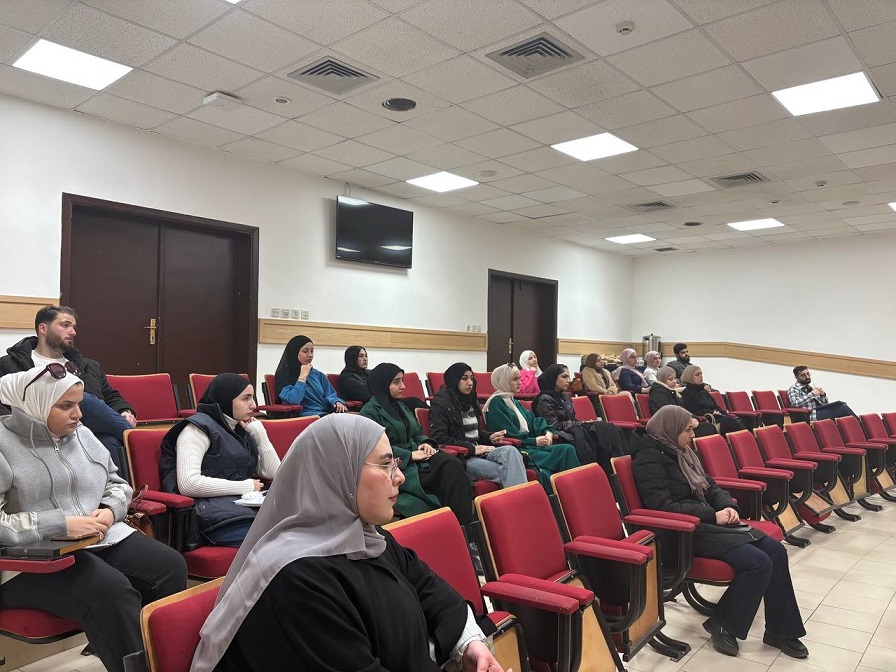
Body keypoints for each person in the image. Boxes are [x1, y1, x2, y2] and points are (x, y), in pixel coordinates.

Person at [190, 414, 505, 672]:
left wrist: (470, 644)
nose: (399, 477)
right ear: (339, 473)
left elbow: (427, 586)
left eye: (395, 462)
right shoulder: (296, 579)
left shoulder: (366, 536)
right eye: (385, 464)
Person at [0, 365, 187, 672]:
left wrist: (111, 510)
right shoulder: (3, 444)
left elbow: (118, 484)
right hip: (27, 560)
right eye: (65, 406)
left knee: (169, 566)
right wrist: (61, 523)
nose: (79, 414)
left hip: (93, 540)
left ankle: (159, 662)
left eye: (78, 404)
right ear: (35, 405)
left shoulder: (82, 435)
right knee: (110, 590)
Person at [631, 406, 807, 659]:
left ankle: (781, 631)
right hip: (678, 534)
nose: (693, 435)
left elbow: (710, 486)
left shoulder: (682, 452)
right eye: (688, 430)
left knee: (776, 552)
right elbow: (662, 507)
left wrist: (727, 506)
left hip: (704, 525)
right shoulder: (649, 459)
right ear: (670, 429)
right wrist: (712, 516)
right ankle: (724, 624)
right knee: (758, 562)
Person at [0, 305, 136, 476]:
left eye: (73, 327)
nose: (73, 332)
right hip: (40, 428)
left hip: (86, 429)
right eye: (65, 325)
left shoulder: (89, 366)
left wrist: (125, 410)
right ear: (43, 328)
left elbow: (110, 395)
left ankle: (119, 491)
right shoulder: (10, 364)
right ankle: (135, 438)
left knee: (110, 442)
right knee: (79, 397)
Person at [160, 373, 281, 547]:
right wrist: (245, 486)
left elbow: (273, 473)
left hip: (240, 509)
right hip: (208, 516)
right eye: (245, 398)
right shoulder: (196, 430)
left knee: (294, 534)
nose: (253, 405)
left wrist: (260, 434)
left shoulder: (240, 428)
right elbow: (188, 484)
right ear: (226, 399)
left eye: (252, 397)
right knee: (279, 542)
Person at [360, 363, 474, 529]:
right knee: (450, 468)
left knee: (455, 467)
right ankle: (462, 530)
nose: (403, 386)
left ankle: (461, 528)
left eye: (403, 381)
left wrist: (425, 443)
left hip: (418, 460)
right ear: (382, 384)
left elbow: (418, 432)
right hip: (398, 466)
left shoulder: (400, 406)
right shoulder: (369, 412)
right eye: (397, 382)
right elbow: (375, 450)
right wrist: (409, 455)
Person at [429, 363, 527, 488]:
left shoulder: (470, 400)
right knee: (509, 471)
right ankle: (522, 499)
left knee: (511, 451)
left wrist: (489, 437)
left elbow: (475, 432)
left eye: (471, 378)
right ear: (454, 380)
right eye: (464, 379)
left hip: (480, 451)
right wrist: (472, 449)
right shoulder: (441, 403)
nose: (470, 383)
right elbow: (439, 438)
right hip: (463, 457)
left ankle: (519, 498)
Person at [483, 364, 579, 484]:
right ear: (503, 381)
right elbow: (506, 433)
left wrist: (547, 431)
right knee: (562, 454)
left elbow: (534, 421)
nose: (520, 382)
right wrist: (534, 441)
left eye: (519, 378)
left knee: (567, 449)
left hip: (529, 446)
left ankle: (572, 488)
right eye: (515, 379)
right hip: (518, 449)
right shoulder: (496, 403)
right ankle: (568, 487)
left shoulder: (514, 402)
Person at [533, 364, 625, 470]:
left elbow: (571, 419)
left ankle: (615, 466)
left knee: (606, 428)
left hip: (570, 429)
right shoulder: (544, 399)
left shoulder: (564, 396)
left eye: (569, 377)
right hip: (558, 434)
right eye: (564, 377)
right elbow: (552, 425)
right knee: (594, 431)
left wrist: (583, 422)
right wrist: (580, 423)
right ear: (553, 378)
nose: (568, 381)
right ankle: (602, 468)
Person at [274, 335, 347, 416]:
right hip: (305, 415)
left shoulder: (318, 375)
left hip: (325, 413)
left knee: (351, 419)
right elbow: (293, 400)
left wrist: (336, 401)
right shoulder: (285, 376)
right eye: (305, 351)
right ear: (294, 352)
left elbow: (330, 395)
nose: (310, 355)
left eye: (312, 351)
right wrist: (302, 377)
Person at [679, 365, 749, 435]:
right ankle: (748, 437)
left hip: (717, 417)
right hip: (707, 419)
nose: (701, 376)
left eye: (701, 374)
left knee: (733, 420)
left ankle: (748, 437)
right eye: (697, 375)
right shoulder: (686, 393)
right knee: (730, 422)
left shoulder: (704, 391)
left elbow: (715, 406)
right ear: (689, 377)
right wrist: (712, 412)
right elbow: (693, 411)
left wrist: (721, 412)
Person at [650, 367, 717, 437]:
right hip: (669, 426)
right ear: (662, 380)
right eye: (670, 379)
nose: (674, 381)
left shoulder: (670, 392)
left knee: (708, 427)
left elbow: (683, 409)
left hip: (679, 423)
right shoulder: (658, 393)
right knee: (707, 428)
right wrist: (689, 420)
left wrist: (694, 418)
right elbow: (669, 413)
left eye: (675, 378)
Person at [788, 366, 857, 421]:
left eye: (808, 374)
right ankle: (860, 424)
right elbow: (795, 404)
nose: (807, 377)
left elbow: (824, 405)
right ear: (796, 377)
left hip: (819, 412)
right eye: (803, 375)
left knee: (842, 406)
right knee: (842, 408)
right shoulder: (794, 389)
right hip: (811, 416)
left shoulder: (810, 388)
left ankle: (857, 428)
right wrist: (812, 394)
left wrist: (822, 395)